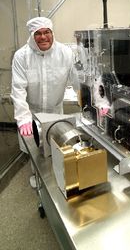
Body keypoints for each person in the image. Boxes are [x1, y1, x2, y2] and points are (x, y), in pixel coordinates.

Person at [11, 16, 79, 186]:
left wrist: (96, 102)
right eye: (38, 33)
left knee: (57, 147)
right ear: (32, 36)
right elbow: (18, 89)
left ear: (52, 33)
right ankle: (37, 177)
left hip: (55, 112)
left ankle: (56, 177)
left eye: (47, 32)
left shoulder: (65, 53)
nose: (43, 37)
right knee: (35, 151)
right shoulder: (22, 56)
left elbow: (79, 81)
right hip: (32, 113)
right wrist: (23, 118)